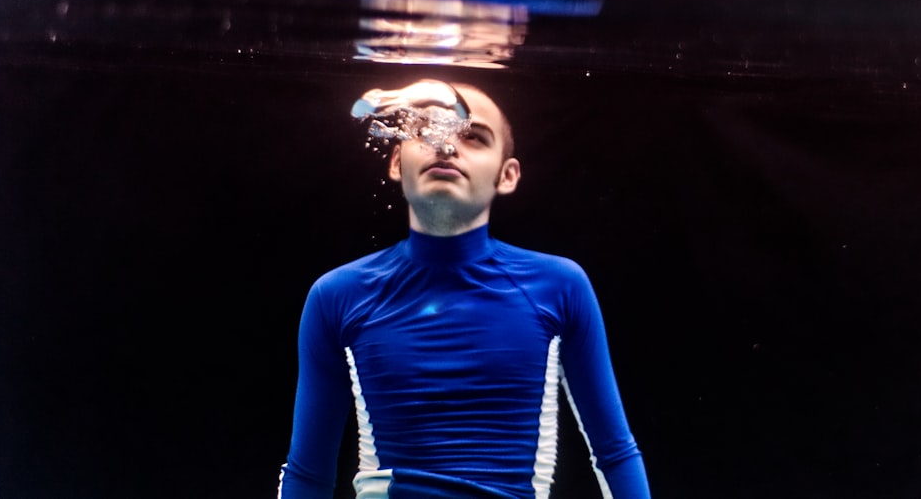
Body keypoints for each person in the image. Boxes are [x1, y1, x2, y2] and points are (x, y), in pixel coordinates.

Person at [278, 81, 650, 499]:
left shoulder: (561, 287)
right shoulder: (336, 296)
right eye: (426, 130)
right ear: (397, 161)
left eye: (473, 137)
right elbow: (308, 474)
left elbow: (615, 454)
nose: (448, 146)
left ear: (506, 175)